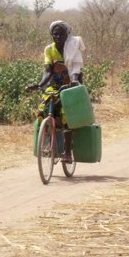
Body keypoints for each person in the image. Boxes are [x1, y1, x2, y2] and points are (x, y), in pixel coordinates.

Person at [26, 20, 86, 162]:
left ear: (67, 34)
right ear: (52, 35)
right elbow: (48, 71)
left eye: (61, 34)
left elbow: (76, 70)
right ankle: (47, 144)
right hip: (54, 86)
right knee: (42, 112)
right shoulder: (49, 49)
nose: (58, 37)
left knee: (67, 116)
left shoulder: (73, 48)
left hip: (71, 84)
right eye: (55, 34)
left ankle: (67, 152)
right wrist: (39, 84)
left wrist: (74, 81)